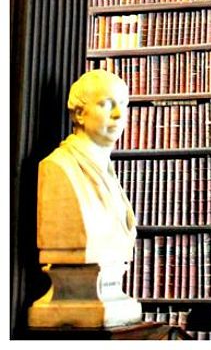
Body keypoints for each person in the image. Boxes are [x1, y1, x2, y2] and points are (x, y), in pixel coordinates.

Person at [30, 69, 141, 327]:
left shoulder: (108, 172)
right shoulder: (58, 169)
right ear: (79, 113)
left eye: (123, 105)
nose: (118, 115)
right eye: (106, 104)